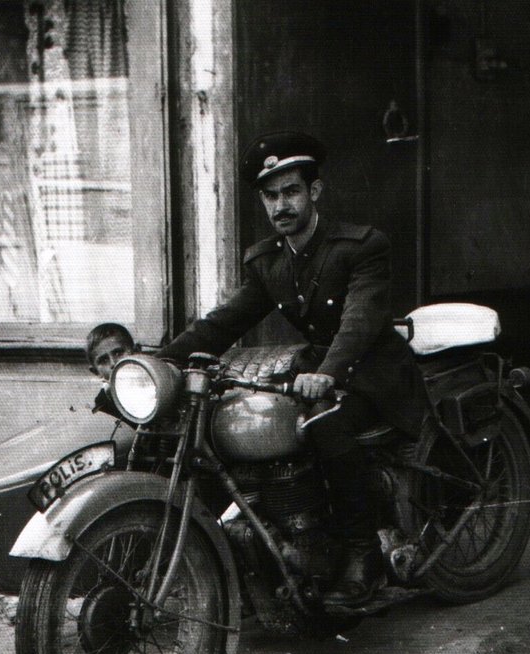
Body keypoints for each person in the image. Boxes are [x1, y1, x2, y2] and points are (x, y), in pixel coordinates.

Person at [157, 131, 431, 609]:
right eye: (270, 195)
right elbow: (225, 322)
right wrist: (158, 363)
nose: (280, 205)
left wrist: (328, 371)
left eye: (291, 192)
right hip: (319, 370)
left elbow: (360, 319)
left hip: (374, 371)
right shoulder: (271, 263)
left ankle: (361, 559)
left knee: (324, 425)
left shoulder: (360, 247)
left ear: (315, 192)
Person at [86, 322, 138, 419]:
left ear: (136, 352)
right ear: (96, 371)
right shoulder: (104, 407)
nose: (113, 363)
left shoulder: (156, 382)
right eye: (104, 360)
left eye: (118, 353)